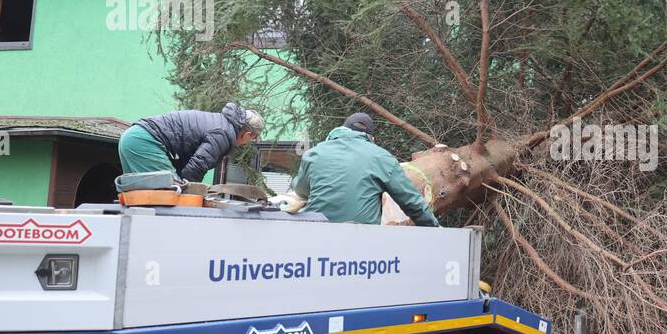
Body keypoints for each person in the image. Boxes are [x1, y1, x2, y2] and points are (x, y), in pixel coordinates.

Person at [293, 112, 440, 226]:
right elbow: (412, 202)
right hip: (361, 240)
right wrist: (435, 229)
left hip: (315, 232)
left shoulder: (314, 153)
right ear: (371, 138)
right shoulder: (381, 157)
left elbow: (301, 190)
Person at [118, 102, 264, 182]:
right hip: (145, 141)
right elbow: (195, 168)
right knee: (169, 192)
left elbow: (186, 165)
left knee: (140, 197)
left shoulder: (220, 123)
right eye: (251, 139)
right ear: (248, 134)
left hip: (135, 137)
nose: (247, 143)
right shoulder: (224, 133)